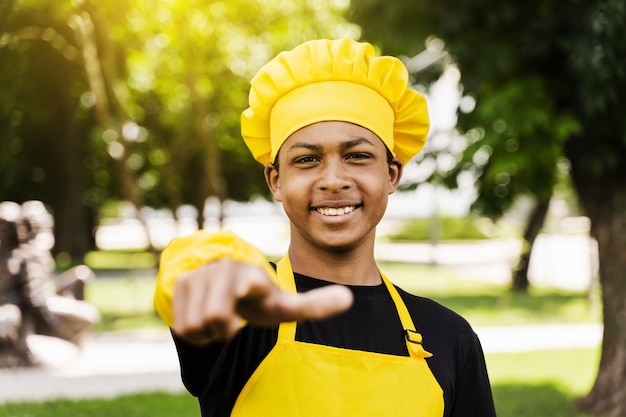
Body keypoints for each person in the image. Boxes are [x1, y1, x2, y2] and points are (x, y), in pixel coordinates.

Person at [154, 38, 496, 417]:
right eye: (307, 159)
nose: (333, 179)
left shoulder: (448, 337)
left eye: (357, 156)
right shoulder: (245, 314)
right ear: (276, 181)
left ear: (391, 174)